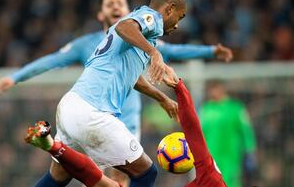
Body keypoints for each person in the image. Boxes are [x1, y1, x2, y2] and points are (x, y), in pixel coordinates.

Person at [0, 0, 232, 186]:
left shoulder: (137, 39)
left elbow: (132, 76)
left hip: (71, 106)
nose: (177, 25)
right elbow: (124, 27)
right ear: (168, 9)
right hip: (93, 114)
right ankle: (53, 147)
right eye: (179, 17)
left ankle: (53, 147)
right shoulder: (149, 18)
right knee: (145, 173)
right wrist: (155, 54)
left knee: (58, 176)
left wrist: (161, 97)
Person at [24, 75, 228, 187]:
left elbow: (194, 132)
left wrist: (180, 88)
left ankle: (53, 147)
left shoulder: (214, 179)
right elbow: (194, 133)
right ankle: (53, 147)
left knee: (135, 177)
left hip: (82, 106)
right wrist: (180, 89)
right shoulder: (213, 179)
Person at [199, 81, 257, 187]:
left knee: (231, 182)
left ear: (222, 89)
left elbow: (246, 130)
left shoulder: (236, 108)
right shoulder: (206, 110)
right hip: (210, 156)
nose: (212, 93)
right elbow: (199, 133)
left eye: (214, 89)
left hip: (231, 156)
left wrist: (250, 149)